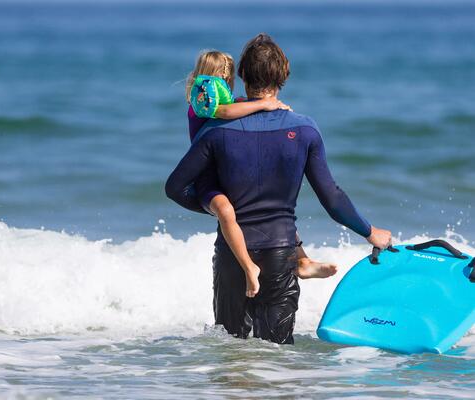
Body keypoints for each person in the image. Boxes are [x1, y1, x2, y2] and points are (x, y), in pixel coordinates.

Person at [166, 34, 391, 344]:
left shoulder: (214, 131)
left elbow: (175, 187)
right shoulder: (304, 129)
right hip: (280, 255)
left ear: (242, 77)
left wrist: (218, 210)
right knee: (277, 361)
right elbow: (332, 198)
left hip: (233, 256)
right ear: (284, 74)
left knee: (231, 358)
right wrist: (370, 231)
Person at [185, 50, 337, 299]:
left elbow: (234, 107)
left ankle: (302, 261)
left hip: (224, 172)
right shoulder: (204, 99)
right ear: (220, 75)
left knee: (274, 208)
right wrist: (265, 104)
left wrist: (270, 109)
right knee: (226, 211)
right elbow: (224, 113)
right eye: (228, 76)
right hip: (208, 177)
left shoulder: (218, 96)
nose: (230, 82)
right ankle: (249, 267)